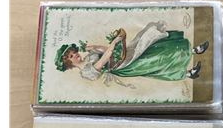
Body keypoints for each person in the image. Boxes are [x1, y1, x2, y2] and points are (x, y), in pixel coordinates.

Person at [54, 21, 209, 86]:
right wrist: (114, 42)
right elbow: (105, 59)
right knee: (156, 62)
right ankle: (188, 73)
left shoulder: (89, 57)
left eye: (73, 52)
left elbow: (104, 51)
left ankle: (193, 50)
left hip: (122, 57)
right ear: (70, 63)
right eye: (71, 57)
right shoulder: (86, 72)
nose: (75, 55)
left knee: (154, 47)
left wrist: (95, 47)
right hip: (124, 66)